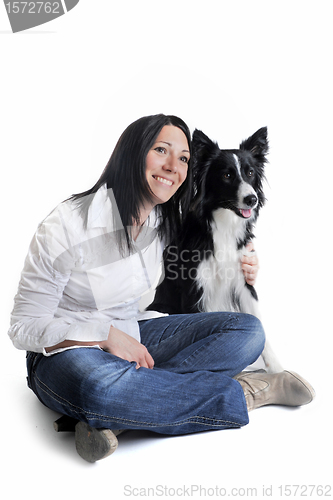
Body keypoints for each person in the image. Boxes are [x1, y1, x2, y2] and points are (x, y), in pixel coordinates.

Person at [8, 114, 315, 463]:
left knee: (247, 332)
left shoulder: (165, 221)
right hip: (64, 352)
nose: (173, 166)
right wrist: (103, 335)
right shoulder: (66, 224)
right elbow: (22, 326)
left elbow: (217, 244)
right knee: (99, 389)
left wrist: (246, 262)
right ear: (133, 153)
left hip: (134, 333)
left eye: (183, 158)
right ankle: (246, 392)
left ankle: (126, 410)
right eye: (161, 150)